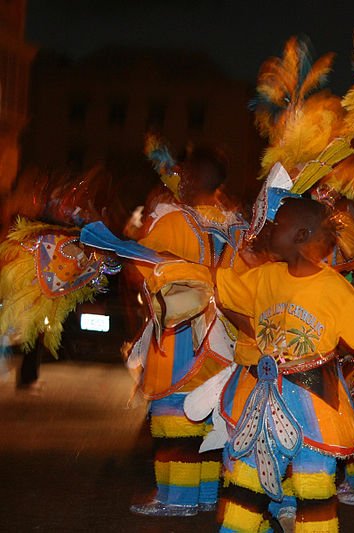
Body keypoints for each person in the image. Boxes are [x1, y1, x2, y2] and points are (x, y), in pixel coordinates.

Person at [170, 196, 354, 533]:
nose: (267, 232)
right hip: (265, 399)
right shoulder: (265, 276)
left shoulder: (332, 287)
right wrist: (182, 271)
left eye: (276, 225)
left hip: (315, 401)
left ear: (300, 235)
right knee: (247, 479)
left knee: (313, 488)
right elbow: (224, 290)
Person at [128, 146, 249, 517]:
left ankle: (176, 498)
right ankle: (208, 494)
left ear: (189, 180)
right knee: (211, 416)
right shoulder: (238, 226)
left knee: (173, 413)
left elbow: (144, 266)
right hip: (225, 338)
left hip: (180, 336)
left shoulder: (173, 221)